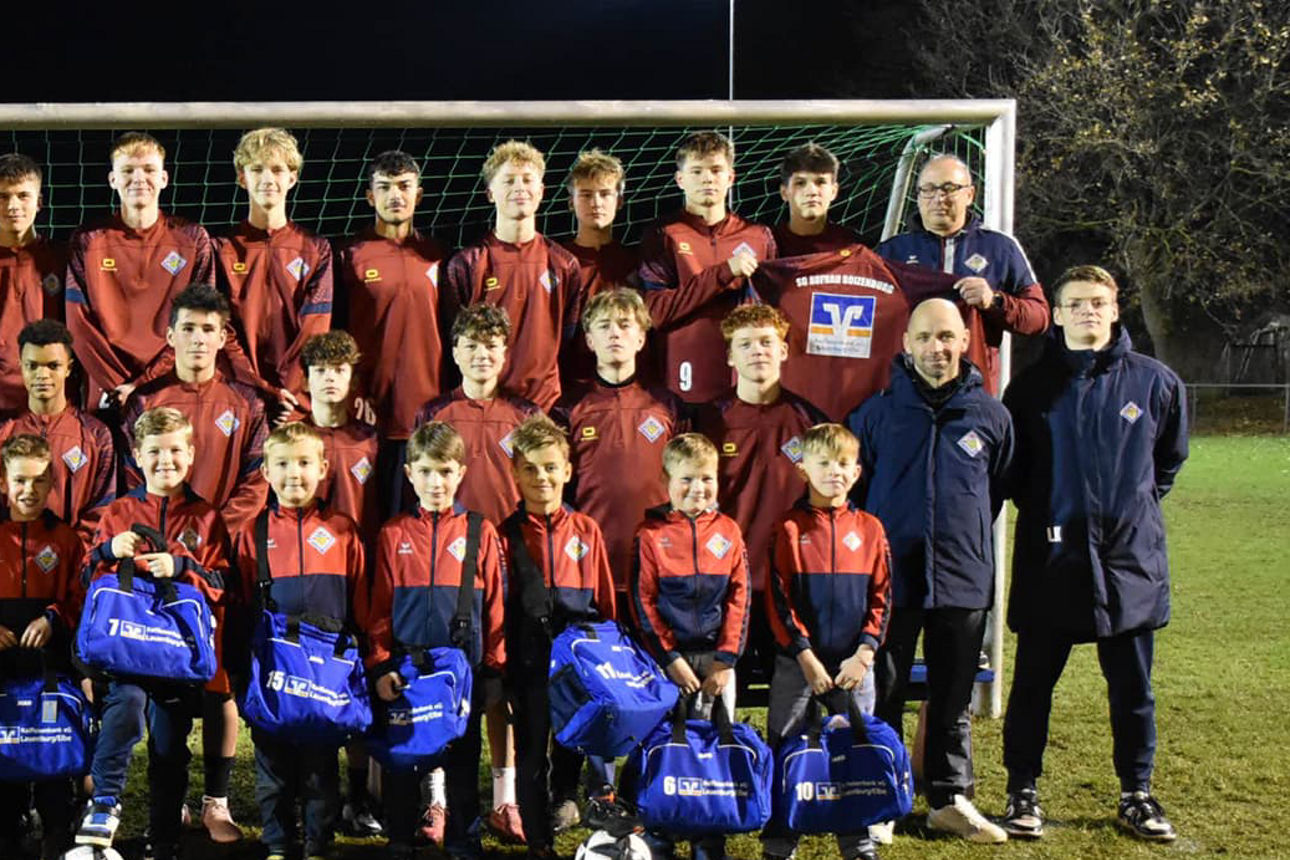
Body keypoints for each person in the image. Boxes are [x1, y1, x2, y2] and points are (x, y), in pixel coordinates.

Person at [1000, 265, 1187, 842]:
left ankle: (1136, 794)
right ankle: (1022, 792)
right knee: (1033, 684)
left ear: (1114, 310)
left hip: (1129, 563)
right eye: (1076, 303)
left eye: (1099, 302)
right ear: (1055, 314)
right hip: (1051, 559)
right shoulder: (1029, 388)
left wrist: (1123, 516)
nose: (1088, 312)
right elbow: (1015, 472)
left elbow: (1166, 464)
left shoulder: (1155, 382)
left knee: (1133, 689)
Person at [848, 298, 1012, 844]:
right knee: (886, 691)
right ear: (906, 344)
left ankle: (948, 797)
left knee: (952, 695)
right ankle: (885, 798)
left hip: (964, 578)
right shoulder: (876, 415)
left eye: (947, 337)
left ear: (964, 342)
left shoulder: (990, 416)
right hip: (893, 582)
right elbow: (857, 496)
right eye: (925, 337)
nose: (936, 348)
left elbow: (997, 490)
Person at [121, 285, 269, 843]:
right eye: (189, 328)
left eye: (210, 329)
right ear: (171, 335)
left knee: (219, 683)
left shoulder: (247, 404)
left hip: (217, 558)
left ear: (224, 337)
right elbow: (135, 477)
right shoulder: (148, 401)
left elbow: (259, 478)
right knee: (165, 681)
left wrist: (212, 530)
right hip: (159, 560)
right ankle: (173, 802)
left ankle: (216, 802)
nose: (199, 339)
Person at [550, 288, 683, 830]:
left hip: (653, 574)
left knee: (651, 687)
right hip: (588, 573)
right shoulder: (571, 407)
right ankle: (566, 790)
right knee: (584, 683)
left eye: (626, 325)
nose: (615, 334)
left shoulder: (668, 405)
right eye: (604, 326)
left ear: (642, 335)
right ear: (589, 338)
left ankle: (643, 790)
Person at [73, 407, 230, 860]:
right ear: (138, 456)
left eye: (176, 450)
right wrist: (108, 550)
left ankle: (162, 839)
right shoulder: (120, 511)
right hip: (126, 652)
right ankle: (103, 805)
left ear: (191, 454)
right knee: (126, 705)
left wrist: (183, 568)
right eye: (155, 452)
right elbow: (86, 580)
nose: (166, 460)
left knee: (169, 745)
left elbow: (223, 586)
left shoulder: (206, 517)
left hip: (175, 656)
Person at [412, 302, 536, 845]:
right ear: (455, 351)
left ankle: (504, 801)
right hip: (449, 568)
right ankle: (436, 802)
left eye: (492, 346)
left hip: (510, 560)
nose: (482, 355)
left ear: (505, 354)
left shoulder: (526, 415)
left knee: (499, 689)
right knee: (444, 681)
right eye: (471, 345)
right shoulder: (434, 413)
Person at [364, 421, 506, 860]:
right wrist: (381, 664)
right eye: (425, 471)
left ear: (461, 472)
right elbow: (379, 608)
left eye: (444, 471)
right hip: (406, 672)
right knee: (404, 759)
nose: (435, 482)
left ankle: (464, 840)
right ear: (409, 474)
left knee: (463, 762)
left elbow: (496, 606)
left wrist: (495, 670)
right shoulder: (392, 534)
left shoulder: (480, 531)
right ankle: (401, 837)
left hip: (461, 674)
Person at [230, 422, 366, 860]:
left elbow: (361, 600)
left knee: (320, 766)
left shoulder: (344, 531)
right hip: (273, 673)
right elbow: (240, 607)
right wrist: (239, 672)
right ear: (266, 472)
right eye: (283, 464)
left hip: (326, 674)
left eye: (305, 463)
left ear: (323, 468)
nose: (295, 474)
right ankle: (276, 843)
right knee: (272, 766)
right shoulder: (253, 533)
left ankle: (317, 844)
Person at [761, 422, 890, 860]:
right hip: (799, 666)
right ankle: (781, 837)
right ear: (803, 470)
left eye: (843, 464)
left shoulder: (871, 529)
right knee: (786, 743)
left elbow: (882, 596)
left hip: (854, 666)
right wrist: (806, 658)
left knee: (854, 749)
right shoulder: (788, 529)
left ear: (856, 473)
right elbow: (779, 602)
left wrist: (865, 651)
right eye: (823, 463)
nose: (834, 472)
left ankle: (856, 838)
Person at [500, 414, 615, 860]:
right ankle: (537, 842)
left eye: (550, 467)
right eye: (530, 468)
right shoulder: (502, 535)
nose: (541, 477)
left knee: (573, 743)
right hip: (528, 661)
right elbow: (497, 608)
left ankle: (567, 802)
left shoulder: (587, 531)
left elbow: (604, 602)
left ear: (568, 470)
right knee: (531, 752)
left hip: (577, 664)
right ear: (515, 473)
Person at [630, 431, 749, 860]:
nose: (697, 489)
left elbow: (740, 598)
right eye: (686, 480)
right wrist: (671, 659)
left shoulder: (730, 532)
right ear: (666, 480)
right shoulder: (650, 534)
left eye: (706, 479)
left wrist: (725, 660)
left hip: (717, 663)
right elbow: (642, 603)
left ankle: (708, 837)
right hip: (669, 664)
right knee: (665, 744)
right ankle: (659, 833)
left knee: (713, 745)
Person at [694, 305, 826, 684]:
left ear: (784, 350)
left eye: (767, 342)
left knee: (790, 695)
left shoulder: (810, 420)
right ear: (730, 355)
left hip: (791, 583)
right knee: (719, 692)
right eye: (746, 344)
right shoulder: (708, 421)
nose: (758, 351)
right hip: (724, 582)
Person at [299, 330, 383, 837]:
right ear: (306, 378)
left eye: (340, 371)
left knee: (360, 690)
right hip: (311, 585)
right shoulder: (291, 437)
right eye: (321, 371)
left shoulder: (371, 438)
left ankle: (361, 797)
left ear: (352, 378)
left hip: (361, 578)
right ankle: (315, 797)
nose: (331, 380)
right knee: (314, 688)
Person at [876, 153, 1049, 394]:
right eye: (928, 189)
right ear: (918, 196)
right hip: (906, 392)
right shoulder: (891, 252)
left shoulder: (1000, 248)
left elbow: (1039, 317)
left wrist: (994, 301)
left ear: (970, 194)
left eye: (949, 188)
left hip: (972, 394)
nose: (939, 198)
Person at [65, 133, 214, 409]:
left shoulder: (193, 239)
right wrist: (119, 386)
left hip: (170, 384)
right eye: (128, 170)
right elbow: (79, 324)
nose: (139, 178)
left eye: (148, 170)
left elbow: (202, 323)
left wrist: (146, 383)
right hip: (108, 389)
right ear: (113, 180)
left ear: (164, 178)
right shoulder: (88, 240)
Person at [637, 131, 776, 403]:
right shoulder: (663, 234)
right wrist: (723, 273)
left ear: (730, 177)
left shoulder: (759, 236)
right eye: (697, 171)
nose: (708, 178)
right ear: (680, 180)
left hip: (746, 387)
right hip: (682, 386)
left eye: (716, 170)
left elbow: (773, 312)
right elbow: (655, 313)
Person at [443, 141, 583, 412]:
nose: (520, 188)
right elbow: (456, 344)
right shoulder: (466, 264)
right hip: (485, 404)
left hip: (545, 406)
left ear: (541, 191)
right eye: (508, 181)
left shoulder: (564, 264)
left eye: (528, 180)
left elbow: (568, 339)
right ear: (490, 193)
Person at [0, 434, 84, 860]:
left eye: (37, 481)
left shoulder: (67, 539)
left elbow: (78, 598)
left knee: (50, 742)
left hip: (50, 665)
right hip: (2, 667)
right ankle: (8, 825)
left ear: (51, 482)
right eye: (19, 481)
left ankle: (57, 829)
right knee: (5, 740)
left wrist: (53, 617)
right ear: (3, 482)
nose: (28, 491)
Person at [213, 127, 333, 408]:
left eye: (277, 170)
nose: (268, 179)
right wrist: (259, 387)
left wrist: (287, 392)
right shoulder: (221, 248)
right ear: (242, 178)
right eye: (257, 169)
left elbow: (314, 330)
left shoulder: (315, 249)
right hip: (239, 396)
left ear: (292, 178)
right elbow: (222, 329)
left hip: (296, 401)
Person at [337, 150, 450, 442]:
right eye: (384, 187)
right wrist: (353, 389)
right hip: (367, 409)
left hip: (430, 408)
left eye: (404, 186)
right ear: (370, 197)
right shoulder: (349, 256)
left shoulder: (439, 256)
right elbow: (336, 331)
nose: (395, 195)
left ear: (419, 194)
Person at [0, 320, 116, 545]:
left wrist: (71, 552)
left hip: (72, 563)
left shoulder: (96, 435)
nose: (42, 375)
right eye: (32, 366)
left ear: (68, 368)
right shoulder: (5, 432)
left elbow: (103, 508)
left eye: (52, 366)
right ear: (21, 367)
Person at [558, 149, 640, 385]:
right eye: (585, 195)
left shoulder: (635, 261)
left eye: (605, 194)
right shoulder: (557, 261)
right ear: (571, 203)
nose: (596, 203)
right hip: (572, 382)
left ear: (620, 201)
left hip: (629, 382)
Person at [0, 153, 64, 411]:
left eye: (22, 196)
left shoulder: (64, 258)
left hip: (50, 401)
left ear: (38, 202)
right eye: (2, 197)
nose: (12, 205)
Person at [772, 143, 860, 257]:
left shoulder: (854, 246)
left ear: (834, 191)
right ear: (784, 192)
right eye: (800, 183)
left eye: (820, 182)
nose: (812, 192)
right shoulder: (765, 243)